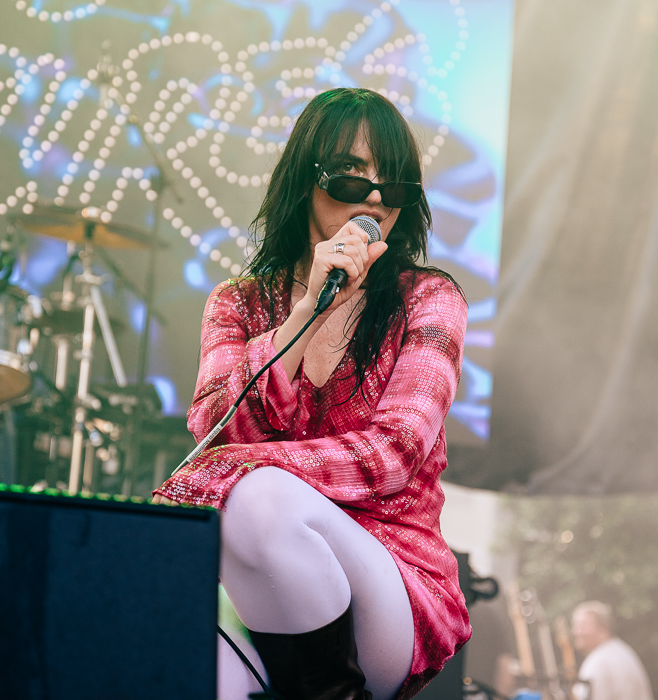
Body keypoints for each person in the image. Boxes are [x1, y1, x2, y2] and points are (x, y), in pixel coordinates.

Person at [152, 87, 472, 700]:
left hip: (391, 579)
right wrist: (306, 315)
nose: (375, 198)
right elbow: (218, 428)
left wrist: (241, 468)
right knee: (180, 649)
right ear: (306, 180)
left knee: (261, 498)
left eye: (394, 185)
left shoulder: (429, 300)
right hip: (261, 598)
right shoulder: (237, 303)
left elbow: (393, 454)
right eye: (352, 177)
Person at [571, 601, 653, 700]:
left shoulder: (600, 661)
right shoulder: (623, 652)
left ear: (603, 629)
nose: (576, 632)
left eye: (582, 626)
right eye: (576, 626)